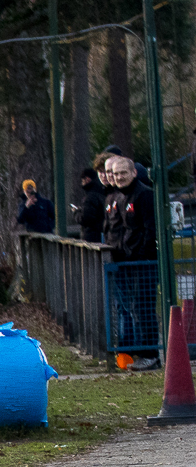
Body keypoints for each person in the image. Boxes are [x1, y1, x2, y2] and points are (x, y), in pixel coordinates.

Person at [101, 154, 159, 368]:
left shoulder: (144, 195)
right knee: (131, 308)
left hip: (142, 263)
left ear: (134, 172)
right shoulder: (116, 197)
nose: (119, 177)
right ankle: (139, 353)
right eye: (115, 174)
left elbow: (150, 229)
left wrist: (140, 255)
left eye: (123, 173)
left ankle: (151, 355)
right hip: (124, 261)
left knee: (144, 307)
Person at [75, 164, 107, 243]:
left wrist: (76, 213)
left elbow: (86, 218)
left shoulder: (90, 197)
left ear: (87, 179)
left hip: (91, 237)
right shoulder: (102, 192)